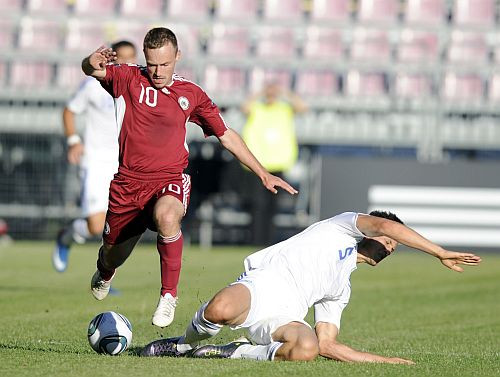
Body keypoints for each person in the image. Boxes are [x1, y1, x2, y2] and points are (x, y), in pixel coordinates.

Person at [80, 27, 298, 328]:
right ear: (145, 58)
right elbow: (93, 69)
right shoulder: (128, 78)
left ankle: (168, 295)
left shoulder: (191, 94)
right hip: (128, 184)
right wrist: (90, 61)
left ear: (177, 57)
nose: (158, 72)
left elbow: (225, 133)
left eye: (165, 64)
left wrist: (262, 172)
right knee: (112, 253)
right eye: (153, 64)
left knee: (168, 217)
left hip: (170, 178)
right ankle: (105, 271)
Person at [140, 210, 481, 362]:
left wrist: (384, 361)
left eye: (395, 246)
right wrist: (438, 251)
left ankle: (236, 352)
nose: (391, 246)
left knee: (307, 350)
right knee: (220, 310)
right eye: (390, 239)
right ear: (372, 231)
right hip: (263, 285)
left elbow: (328, 344)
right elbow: (381, 224)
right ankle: (183, 344)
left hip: (285, 317)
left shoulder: (341, 287)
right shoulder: (342, 227)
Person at [52, 41, 137, 273]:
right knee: (96, 225)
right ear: (112, 58)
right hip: (96, 161)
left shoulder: (139, 84)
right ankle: (66, 236)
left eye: (131, 56)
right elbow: (69, 110)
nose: (126, 61)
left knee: (119, 226)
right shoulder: (93, 84)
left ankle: (106, 277)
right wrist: (73, 140)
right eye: (121, 56)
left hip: (126, 163)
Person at [240, 83, 308, 245]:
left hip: (278, 165)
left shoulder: (284, 109)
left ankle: (269, 241)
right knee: (258, 206)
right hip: (258, 166)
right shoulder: (257, 108)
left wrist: (284, 92)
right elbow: (244, 108)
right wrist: (261, 92)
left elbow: (303, 107)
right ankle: (256, 241)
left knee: (272, 207)